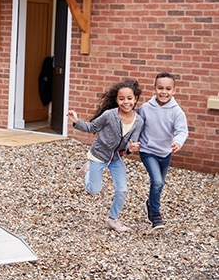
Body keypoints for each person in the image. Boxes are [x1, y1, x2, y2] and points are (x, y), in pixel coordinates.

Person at [67, 79, 144, 232]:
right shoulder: (109, 115)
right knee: (94, 190)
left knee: (122, 190)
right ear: (116, 100)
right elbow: (92, 127)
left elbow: (130, 145)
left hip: (116, 158)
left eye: (129, 98)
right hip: (98, 155)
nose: (125, 102)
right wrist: (76, 121)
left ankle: (112, 219)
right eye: (121, 98)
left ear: (135, 99)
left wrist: (131, 149)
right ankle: (88, 171)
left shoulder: (138, 121)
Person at [137, 72, 188, 231]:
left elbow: (182, 130)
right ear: (154, 89)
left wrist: (178, 142)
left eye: (168, 89)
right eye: (160, 88)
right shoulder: (145, 108)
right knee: (157, 181)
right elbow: (136, 126)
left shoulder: (176, 111)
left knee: (159, 184)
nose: (163, 92)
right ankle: (155, 216)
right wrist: (131, 144)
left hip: (165, 153)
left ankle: (150, 203)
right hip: (147, 150)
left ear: (174, 91)